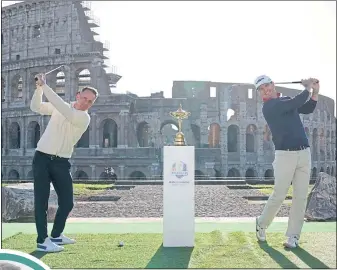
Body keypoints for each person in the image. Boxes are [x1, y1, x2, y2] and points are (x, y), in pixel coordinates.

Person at [30, 73, 98, 252]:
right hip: (42, 158)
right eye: (84, 98)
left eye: (90, 101)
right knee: (41, 202)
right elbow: (35, 106)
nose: (86, 103)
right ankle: (42, 241)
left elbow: (63, 108)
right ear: (77, 96)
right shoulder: (61, 107)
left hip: (61, 162)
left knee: (67, 202)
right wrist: (38, 89)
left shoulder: (84, 118)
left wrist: (45, 85)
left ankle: (56, 235)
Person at [254, 75, 319, 248]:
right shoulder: (269, 107)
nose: (265, 89)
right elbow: (295, 103)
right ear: (260, 93)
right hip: (285, 155)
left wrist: (315, 92)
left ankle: (293, 237)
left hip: (304, 153)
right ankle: (261, 223)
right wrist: (307, 87)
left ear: (273, 85)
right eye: (261, 89)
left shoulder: (284, 100)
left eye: (267, 85)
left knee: (300, 197)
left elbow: (307, 108)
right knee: (279, 194)